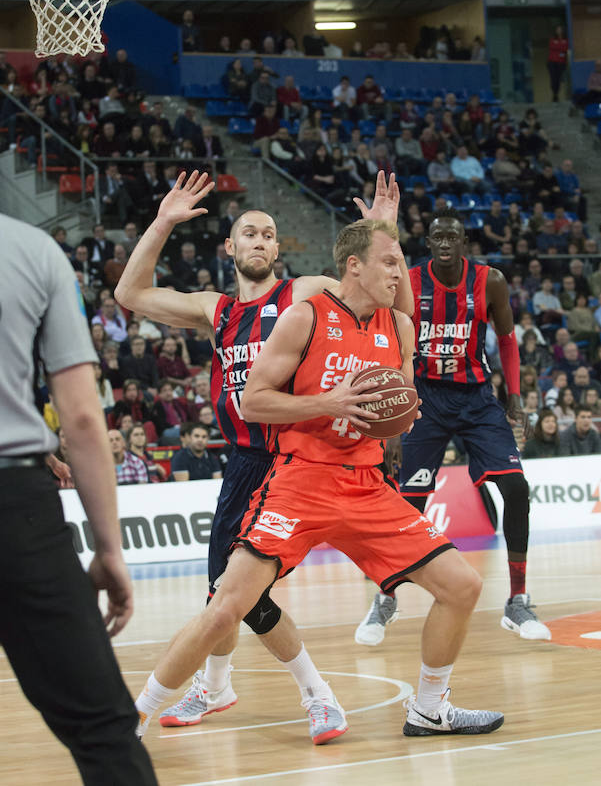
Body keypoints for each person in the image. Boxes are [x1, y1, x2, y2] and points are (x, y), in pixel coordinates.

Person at [134, 218, 504, 741]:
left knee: (463, 586)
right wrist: (326, 403)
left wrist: (401, 415)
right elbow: (252, 399)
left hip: (368, 483)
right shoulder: (303, 317)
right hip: (300, 479)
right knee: (225, 610)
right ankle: (136, 716)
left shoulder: (399, 328)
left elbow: (397, 404)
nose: (403, 275)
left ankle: (428, 708)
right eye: (390, 264)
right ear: (354, 267)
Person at [116, 168, 414, 741]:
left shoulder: (302, 293)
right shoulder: (216, 310)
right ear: (230, 247)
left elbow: (372, 288)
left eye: (269, 234)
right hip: (243, 464)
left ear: (278, 248)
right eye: (249, 233)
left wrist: (380, 231)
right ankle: (219, 684)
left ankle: (314, 696)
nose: (259, 241)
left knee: (235, 599)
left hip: (294, 459)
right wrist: (162, 222)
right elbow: (129, 295)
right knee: (225, 596)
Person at [0, 213, 157, 785]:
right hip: (14, 504)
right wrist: (108, 548)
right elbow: (84, 419)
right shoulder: (33, 251)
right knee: (103, 730)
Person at [355, 209, 552, 647]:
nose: (445, 243)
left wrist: (514, 396)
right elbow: (392, 342)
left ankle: (517, 600)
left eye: (453, 237)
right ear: (428, 243)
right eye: (438, 236)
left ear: (464, 243)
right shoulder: (410, 281)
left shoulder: (490, 281)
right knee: (407, 503)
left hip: (476, 397)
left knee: (517, 488)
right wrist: (393, 416)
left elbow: (505, 339)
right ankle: (386, 598)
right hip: (425, 397)